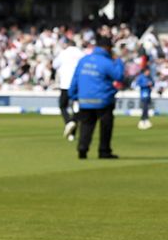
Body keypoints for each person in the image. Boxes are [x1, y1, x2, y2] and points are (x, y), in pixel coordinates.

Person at [69, 32, 124, 160]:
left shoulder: (83, 60)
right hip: (103, 100)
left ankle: (82, 149)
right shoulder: (107, 62)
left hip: (84, 99)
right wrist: (119, 61)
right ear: (108, 48)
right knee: (105, 126)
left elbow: (75, 79)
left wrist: (73, 95)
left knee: (86, 125)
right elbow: (119, 76)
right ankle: (104, 151)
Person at [54, 38, 86, 140]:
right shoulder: (82, 54)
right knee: (76, 108)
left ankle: (69, 122)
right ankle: (72, 133)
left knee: (63, 106)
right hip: (78, 84)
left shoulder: (63, 53)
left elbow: (55, 65)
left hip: (65, 84)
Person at [135, 57, 155, 129]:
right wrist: (145, 85)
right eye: (147, 71)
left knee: (146, 107)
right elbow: (137, 84)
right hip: (143, 93)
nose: (148, 72)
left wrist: (151, 84)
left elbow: (153, 83)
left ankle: (145, 120)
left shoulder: (149, 77)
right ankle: (143, 120)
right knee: (145, 107)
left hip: (148, 93)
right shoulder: (141, 77)